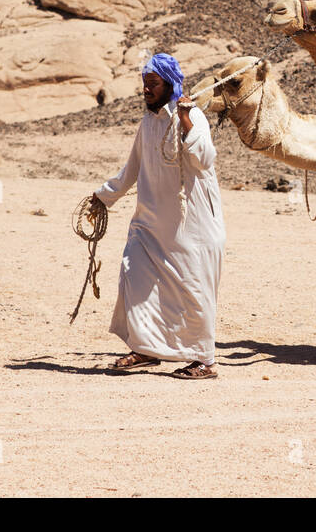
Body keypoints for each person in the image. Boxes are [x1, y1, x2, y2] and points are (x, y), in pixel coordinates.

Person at [93, 54, 225, 379]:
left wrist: (187, 122)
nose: (146, 90)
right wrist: (102, 196)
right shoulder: (148, 122)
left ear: (169, 84)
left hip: (189, 228)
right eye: (144, 84)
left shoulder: (191, 115)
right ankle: (145, 349)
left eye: (152, 84)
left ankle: (203, 360)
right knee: (134, 277)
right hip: (149, 224)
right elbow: (132, 169)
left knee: (193, 292)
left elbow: (205, 158)